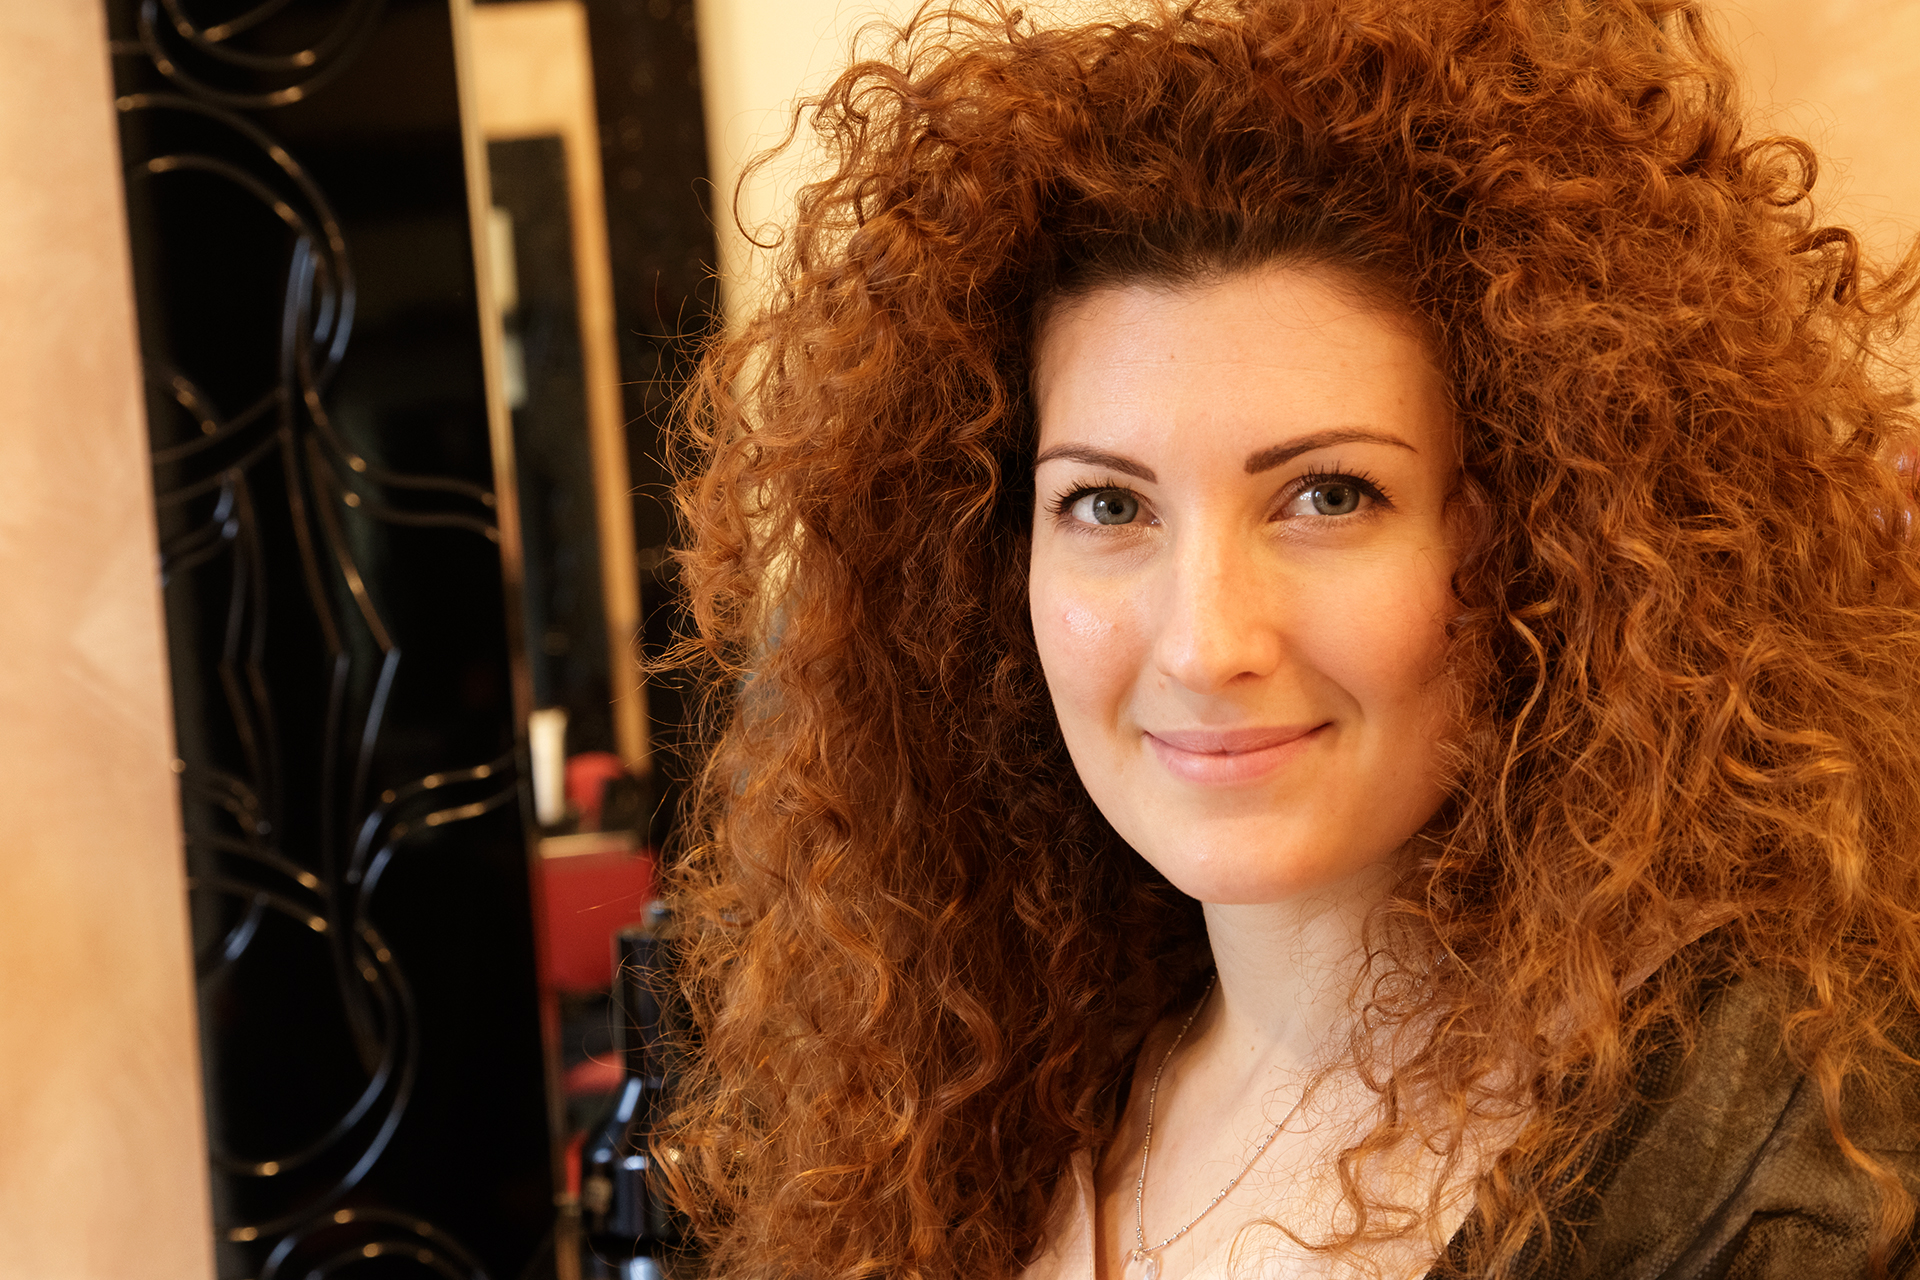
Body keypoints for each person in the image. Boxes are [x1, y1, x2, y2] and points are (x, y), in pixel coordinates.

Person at [656, 1, 1920, 1276]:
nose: (1205, 644)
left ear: (1549, 538)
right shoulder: (978, 1106)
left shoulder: (1769, 1159)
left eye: (1328, 496)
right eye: (1108, 505)